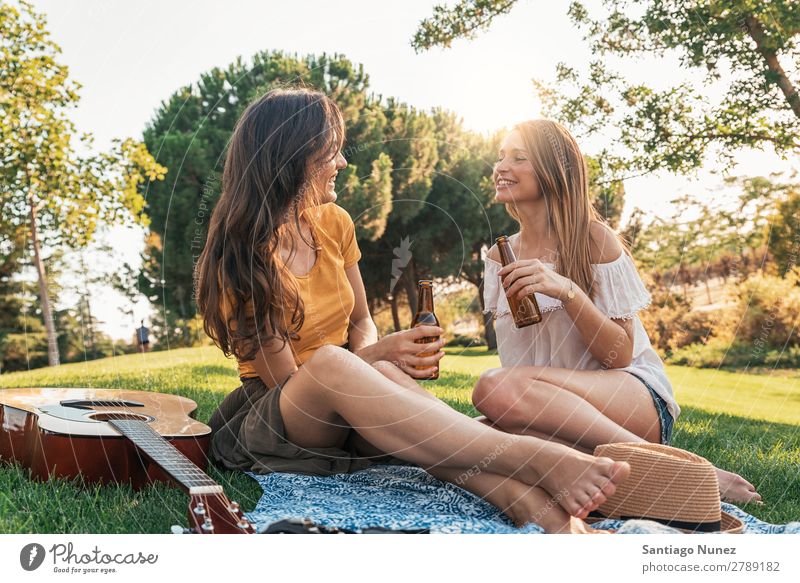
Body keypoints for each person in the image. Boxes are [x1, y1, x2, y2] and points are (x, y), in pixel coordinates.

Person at [194, 88, 631, 533]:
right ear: (294, 157)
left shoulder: (334, 223)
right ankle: (535, 457)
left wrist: (376, 359)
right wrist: (376, 355)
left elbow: (361, 320)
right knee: (334, 365)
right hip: (278, 421)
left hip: (345, 393)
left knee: (432, 438)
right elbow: (289, 380)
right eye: (332, 151)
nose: (343, 163)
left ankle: (550, 518)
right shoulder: (243, 252)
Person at [473, 119, 761, 505]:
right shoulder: (498, 257)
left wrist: (568, 291)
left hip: (627, 399)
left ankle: (681, 467)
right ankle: (613, 478)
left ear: (554, 172)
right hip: (550, 408)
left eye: (518, 157)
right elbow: (519, 358)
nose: (501, 167)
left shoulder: (593, 239)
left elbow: (620, 354)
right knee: (467, 436)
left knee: (494, 387)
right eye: (500, 157)